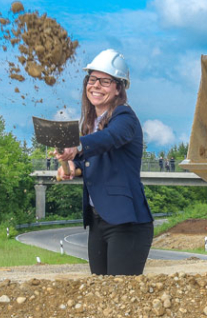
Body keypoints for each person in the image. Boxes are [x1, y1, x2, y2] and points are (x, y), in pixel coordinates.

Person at [55, 49, 153, 275]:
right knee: (100, 294)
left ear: (119, 87)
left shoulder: (125, 118)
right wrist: (73, 168)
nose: (96, 85)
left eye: (105, 81)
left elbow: (109, 139)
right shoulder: (91, 124)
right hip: (98, 222)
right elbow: (94, 161)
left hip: (126, 224)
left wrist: (77, 145)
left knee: (120, 297)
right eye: (92, 79)